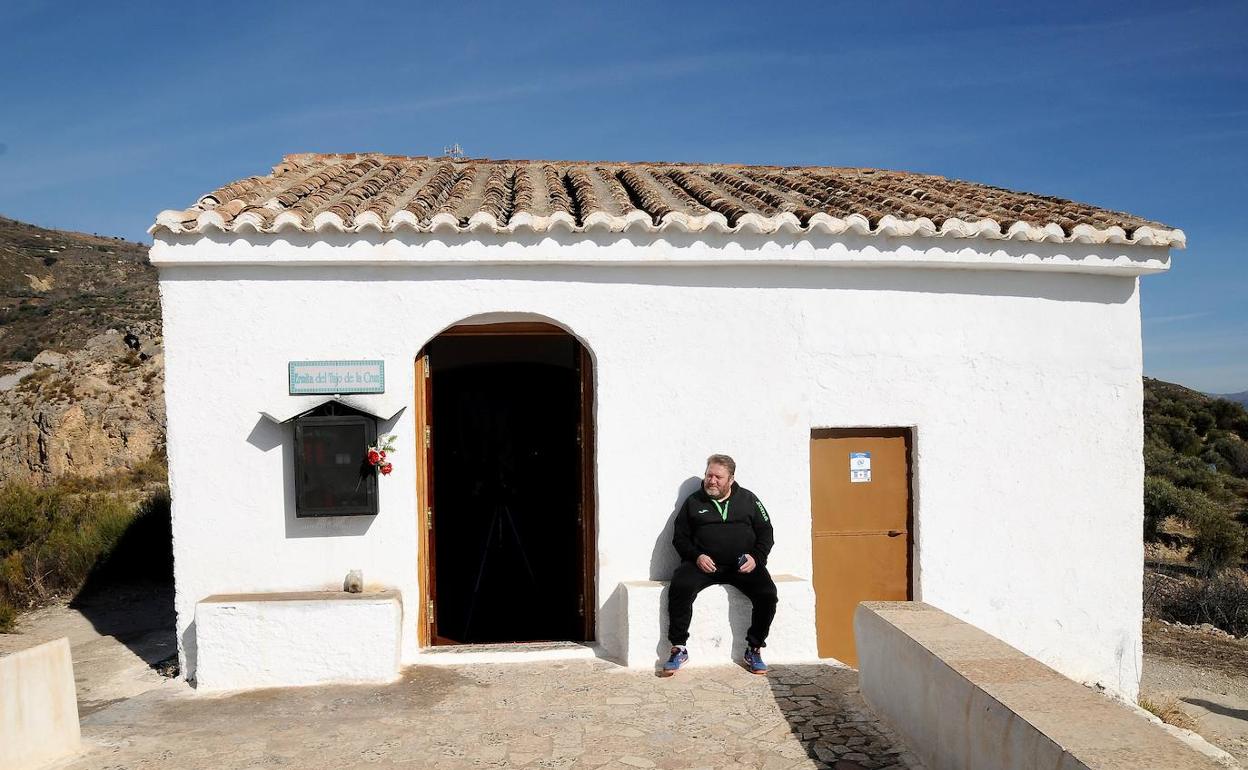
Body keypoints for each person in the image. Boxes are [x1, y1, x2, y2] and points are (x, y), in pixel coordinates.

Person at [661, 454, 777, 676]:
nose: (711, 481)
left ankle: (754, 648)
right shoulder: (693, 502)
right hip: (704, 565)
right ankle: (679, 647)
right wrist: (696, 556)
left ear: (731, 479)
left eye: (718, 477)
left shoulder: (749, 499)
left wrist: (756, 557)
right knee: (680, 587)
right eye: (708, 475)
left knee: (767, 594)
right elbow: (680, 537)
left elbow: (766, 531)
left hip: (742, 565)